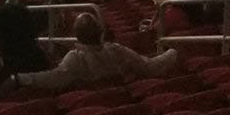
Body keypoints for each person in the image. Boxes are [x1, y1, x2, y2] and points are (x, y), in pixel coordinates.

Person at [15, 13, 182, 92]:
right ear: (101, 32)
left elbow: (52, 78)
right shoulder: (117, 51)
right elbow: (151, 66)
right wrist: (173, 51)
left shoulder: (74, 59)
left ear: (77, 36)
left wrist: (19, 78)